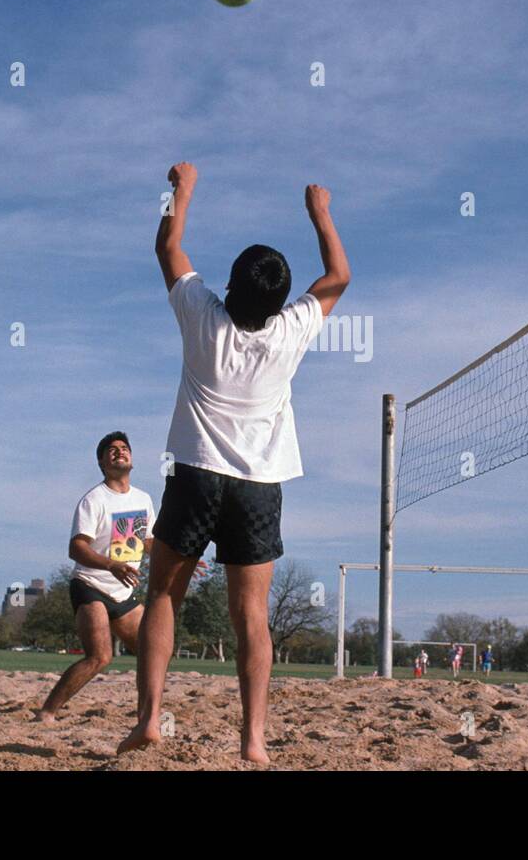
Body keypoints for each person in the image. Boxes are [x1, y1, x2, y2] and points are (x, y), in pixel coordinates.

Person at [119, 163, 350, 765]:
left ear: (229, 284)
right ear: (280, 299)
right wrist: (320, 212)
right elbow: (338, 276)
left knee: (163, 596)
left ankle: (149, 721)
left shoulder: (201, 313)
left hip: (194, 475)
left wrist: (182, 187)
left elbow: (167, 244)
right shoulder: (293, 329)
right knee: (250, 615)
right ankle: (253, 741)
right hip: (258, 484)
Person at [37, 433, 152, 723]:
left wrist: (181, 559)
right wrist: (111, 564)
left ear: (132, 458)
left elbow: (147, 542)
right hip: (90, 586)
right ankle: (47, 712)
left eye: (124, 448)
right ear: (101, 462)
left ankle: (146, 717)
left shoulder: (143, 499)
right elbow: (76, 548)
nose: (119, 453)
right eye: (111, 450)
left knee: (154, 652)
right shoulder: (94, 500)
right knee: (100, 657)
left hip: (123, 593)